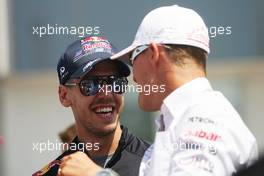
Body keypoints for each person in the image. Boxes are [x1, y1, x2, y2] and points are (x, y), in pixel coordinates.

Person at [56, 5, 258, 176]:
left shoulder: (202, 122)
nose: (134, 77)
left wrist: (97, 174)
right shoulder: (182, 120)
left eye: (133, 58)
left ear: (153, 54)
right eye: (90, 84)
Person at [32, 36, 150, 176]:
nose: (106, 94)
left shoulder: (157, 162)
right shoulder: (51, 173)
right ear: (64, 95)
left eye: (115, 82)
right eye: (90, 84)